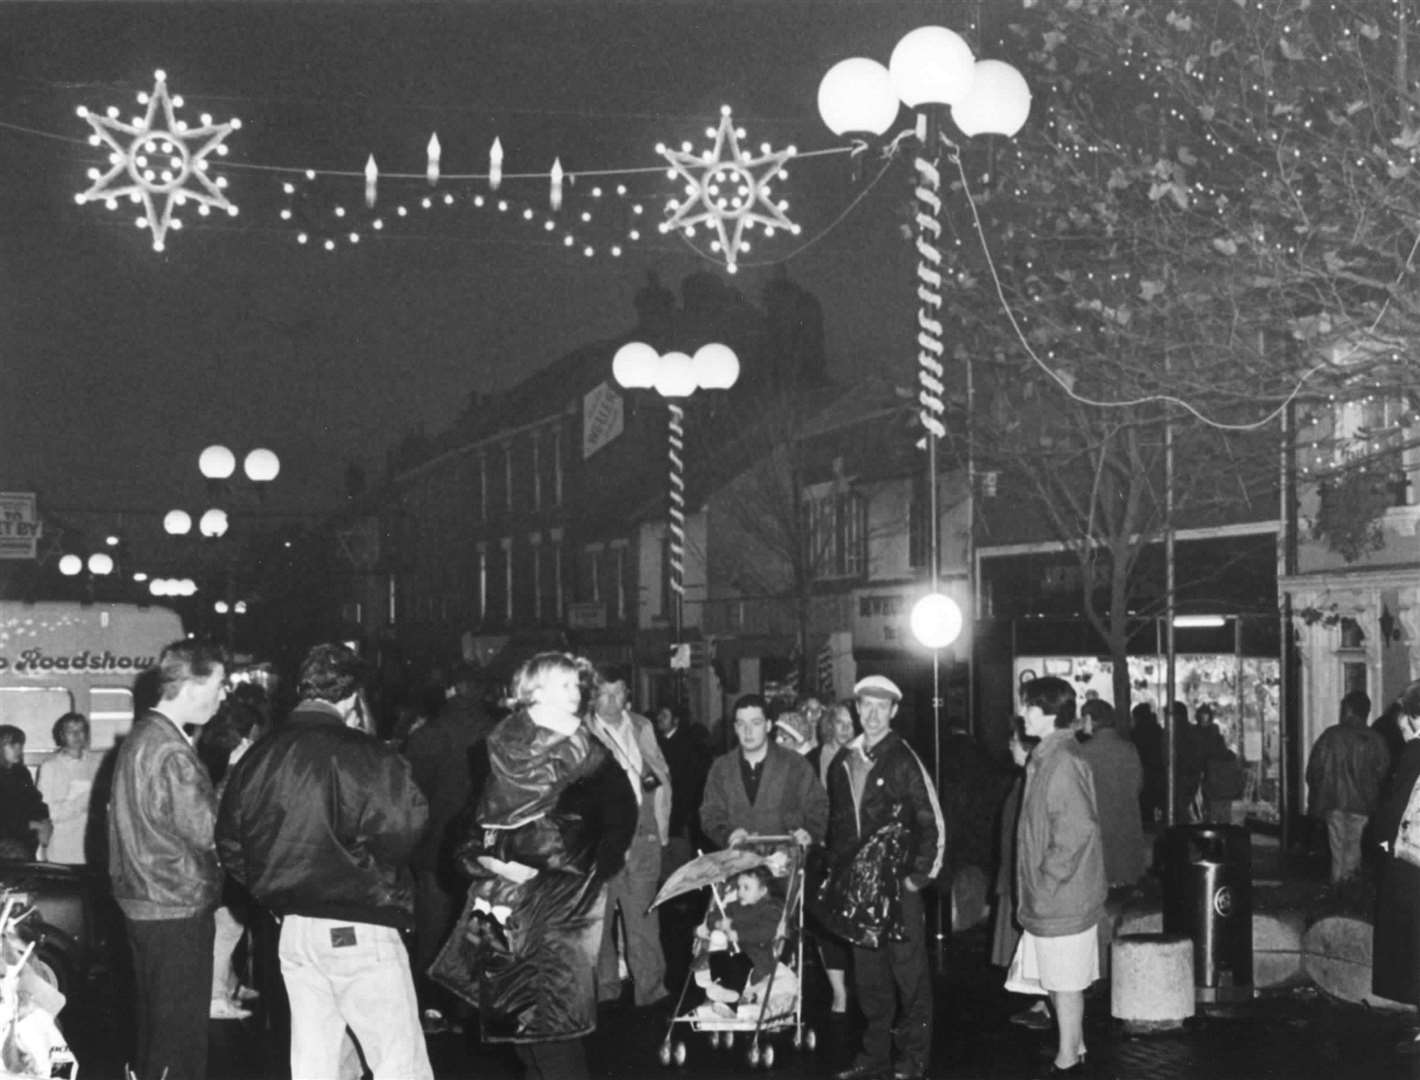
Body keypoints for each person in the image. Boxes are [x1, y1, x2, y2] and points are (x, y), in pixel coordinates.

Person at [216, 643, 433, 1080]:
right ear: (353, 697)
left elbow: (231, 844)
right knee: (398, 1063)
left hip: (294, 931)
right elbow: (406, 830)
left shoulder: (259, 755)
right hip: (360, 923)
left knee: (315, 1066)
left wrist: (274, 892)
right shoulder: (367, 754)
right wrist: (366, 871)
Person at [434, 651, 638, 1080]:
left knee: (555, 1032)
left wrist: (580, 871)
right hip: (505, 909)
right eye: (565, 684)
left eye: (576, 684)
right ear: (534, 693)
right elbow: (469, 830)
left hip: (558, 909)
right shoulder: (499, 750)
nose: (577, 692)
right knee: (518, 1036)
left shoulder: (591, 756)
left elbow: (617, 820)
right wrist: (491, 858)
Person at [108, 639, 228, 1080]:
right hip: (176, 901)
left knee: (153, 1028)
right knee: (178, 1037)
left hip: (143, 899)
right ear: (194, 686)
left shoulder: (143, 736)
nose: (222, 695)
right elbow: (207, 831)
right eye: (219, 683)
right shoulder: (172, 750)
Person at [827, 675, 945, 1080]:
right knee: (870, 979)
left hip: (899, 891)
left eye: (882, 707)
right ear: (857, 709)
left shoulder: (905, 760)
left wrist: (917, 878)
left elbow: (933, 824)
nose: (873, 715)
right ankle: (874, 1057)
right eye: (866, 706)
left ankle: (913, 1060)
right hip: (860, 893)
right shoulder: (843, 761)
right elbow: (838, 826)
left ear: (894, 712)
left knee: (910, 977)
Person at [1007, 676, 1106, 1077]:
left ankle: (1067, 1057)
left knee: (1064, 980)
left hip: (1061, 895)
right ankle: (1074, 1045)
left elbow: (1076, 829)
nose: (1023, 713)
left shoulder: (1060, 761)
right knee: (1059, 977)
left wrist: (1045, 882)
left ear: (1050, 712)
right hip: (1059, 894)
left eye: (1029, 706)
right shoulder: (1051, 757)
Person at [404, 661, 496, 1031]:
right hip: (486, 849)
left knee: (433, 928)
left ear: (450, 691)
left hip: (435, 848)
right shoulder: (499, 734)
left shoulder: (428, 735)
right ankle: (472, 1006)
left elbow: (411, 796)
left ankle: (431, 1007)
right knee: (480, 928)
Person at [591, 677, 672, 1008]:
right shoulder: (579, 732)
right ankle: (604, 988)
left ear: (627, 695)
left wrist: (660, 830)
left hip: (642, 837)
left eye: (617, 692)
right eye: (603, 693)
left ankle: (651, 992)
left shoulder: (641, 726)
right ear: (592, 696)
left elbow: (661, 777)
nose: (610, 700)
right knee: (597, 922)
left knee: (644, 919)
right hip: (598, 842)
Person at [196, 699, 264, 1021]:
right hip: (227, 860)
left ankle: (229, 985)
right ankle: (214, 997)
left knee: (225, 927)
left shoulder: (210, 757)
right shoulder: (237, 768)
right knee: (227, 929)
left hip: (213, 859)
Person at [699, 693, 828, 851]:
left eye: (755, 723)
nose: (748, 731)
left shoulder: (795, 765)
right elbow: (710, 814)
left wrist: (809, 833)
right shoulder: (721, 769)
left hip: (784, 864)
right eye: (741, 724)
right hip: (738, 865)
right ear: (735, 728)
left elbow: (818, 806)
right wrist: (728, 834)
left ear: (768, 725)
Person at [993, 717, 1052, 1032]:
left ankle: (1049, 1006)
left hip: (1027, 877)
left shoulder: (1031, 779)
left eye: (1014, 740)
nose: (1009, 746)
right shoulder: (1024, 778)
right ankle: (1043, 1003)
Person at [1372, 679, 1420, 1055]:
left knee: (1410, 943)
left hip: (1412, 865)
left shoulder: (1415, 753)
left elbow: (1394, 807)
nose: (1402, 734)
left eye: (1404, 726)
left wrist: (1382, 839)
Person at [1307, 690, 1391, 884]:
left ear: (1348, 710)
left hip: (1333, 800)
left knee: (1337, 848)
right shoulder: (1375, 740)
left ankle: (1338, 889)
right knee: (1354, 846)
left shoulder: (1330, 736)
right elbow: (1383, 772)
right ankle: (1349, 889)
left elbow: (1314, 768)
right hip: (1363, 803)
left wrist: (1317, 794)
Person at [690, 866, 795, 1019]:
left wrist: (738, 934)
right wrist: (720, 923)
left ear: (762, 891)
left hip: (755, 955)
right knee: (718, 956)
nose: (740, 892)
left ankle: (731, 1000)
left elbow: (765, 933)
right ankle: (721, 989)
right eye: (739, 887)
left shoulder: (769, 909)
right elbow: (714, 916)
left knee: (740, 961)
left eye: (746, 888)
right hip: (731, 952)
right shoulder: (734, 906)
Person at [1076, 699, 1146, 890]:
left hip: (1097, 830)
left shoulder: (1082, 753)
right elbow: (1138, 785)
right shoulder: (1129, 749)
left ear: (1090, 719)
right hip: (1126, 826)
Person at [654, 702, 710, 875]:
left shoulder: (686, 745)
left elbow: (688, 783)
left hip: (679, 813)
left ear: (675, 720)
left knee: (678, 865)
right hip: (662, 811)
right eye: (659, 715)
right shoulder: (657, 742)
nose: (659, 719)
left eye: (665, 716)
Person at [35, 712, 97, 864]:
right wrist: (85, 800)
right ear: (61, 735)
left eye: (81, 730)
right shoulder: (50, 767)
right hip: (63, 848)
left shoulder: (96, 763)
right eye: (70, 731)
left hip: (94, 846)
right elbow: (47, 813)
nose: (76, 735)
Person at [0, 726, 50, 860]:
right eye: (12, 745)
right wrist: (33, 825)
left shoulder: (21, 773)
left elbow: (35, 801)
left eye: (20, 744)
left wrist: (44, 820)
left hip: (25, 843)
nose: (19, 749)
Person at [1197, 703, 1246, 824]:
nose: (1204, 719)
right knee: (1223, 813)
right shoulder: (1228, 755)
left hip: (1214, 787)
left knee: (1214, 812)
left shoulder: (1206, 735)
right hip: (1225, 790)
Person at [1131, 702, 1165, 827]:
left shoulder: (1137, 733)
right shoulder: (1158, 730)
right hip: (1158, 772)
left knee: (1145, 808)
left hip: (1145, 772)